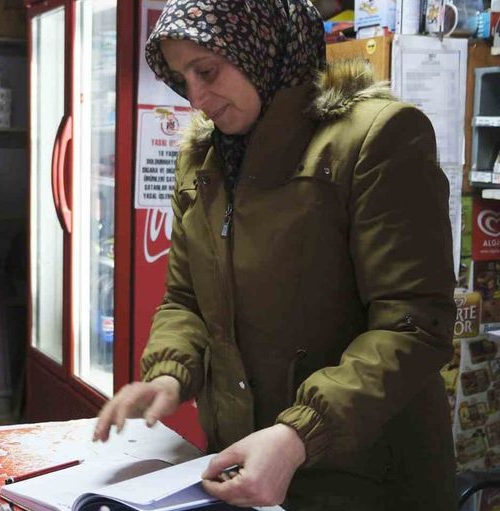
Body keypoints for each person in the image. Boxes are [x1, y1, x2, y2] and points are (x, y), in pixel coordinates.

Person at [93, 1, 456, 510]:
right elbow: (185, 299)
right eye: (181, 78)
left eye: (206, 71)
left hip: (364, 478)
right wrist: (171, 372)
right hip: (243, 464)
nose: (195, 97)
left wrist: (299, 434)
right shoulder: (202, 159)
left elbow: (413, 325)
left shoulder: (377, 139)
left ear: (260, 44)